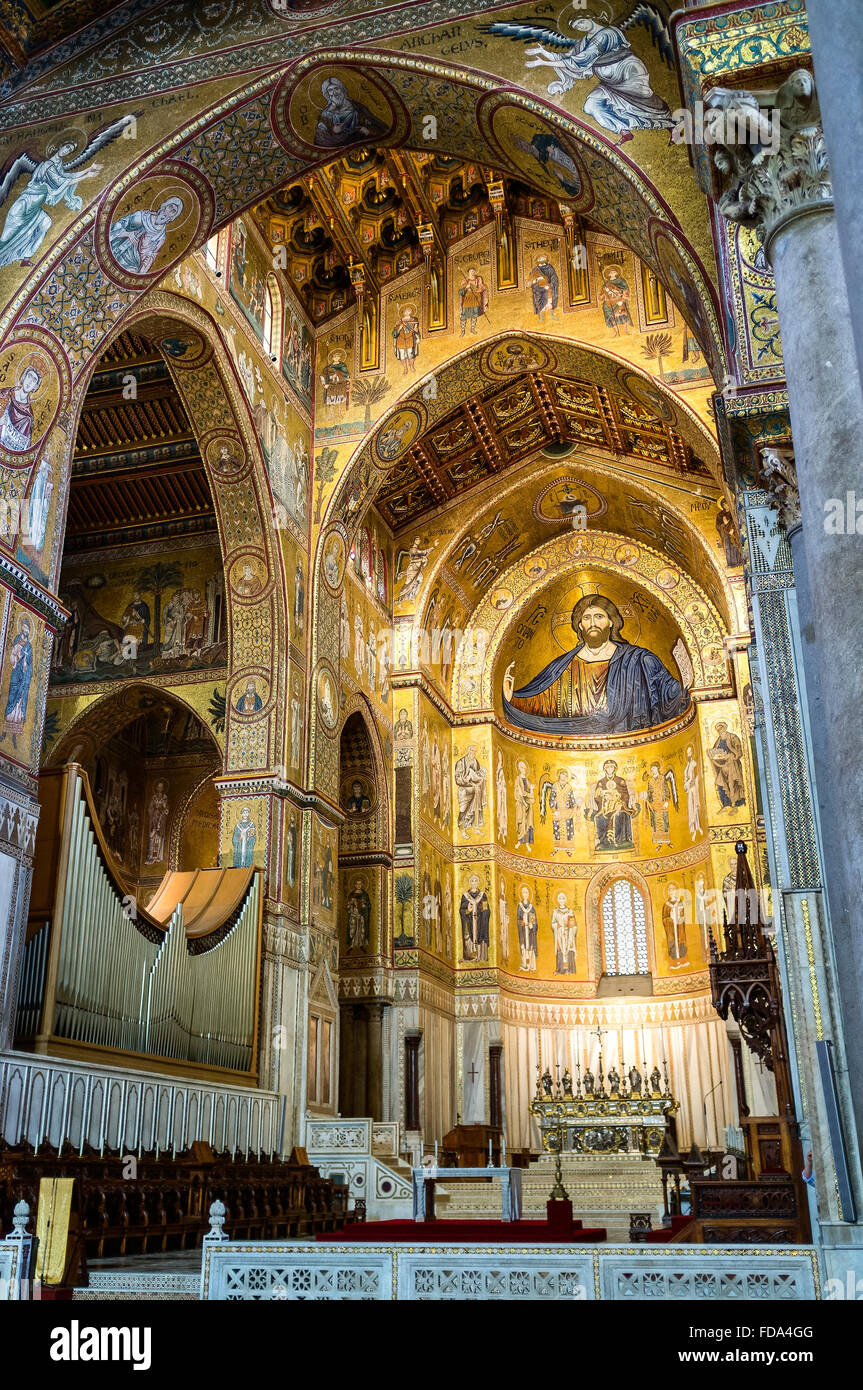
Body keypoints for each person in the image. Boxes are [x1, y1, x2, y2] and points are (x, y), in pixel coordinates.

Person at [503, 593, 688, 736]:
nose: (592, 623)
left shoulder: (639, 660)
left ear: (611, 622)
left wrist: (686, 685)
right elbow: (542, 701)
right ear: (580, 626)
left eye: (599, 616)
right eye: (586, 618)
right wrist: (512, 697)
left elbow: (669, 695)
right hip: (572, 746)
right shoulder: (563, 665)